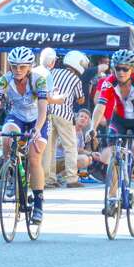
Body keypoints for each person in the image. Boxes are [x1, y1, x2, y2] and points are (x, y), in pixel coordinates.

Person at [0, 46, 49, 224]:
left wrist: (37, 128)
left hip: (37, 119)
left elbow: (43, 109)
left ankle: (38, 204)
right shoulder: (3, 81)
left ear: (29, 67)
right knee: (7, 136)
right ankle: (11, 172)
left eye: (22, 67)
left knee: (34, 158)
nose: (18, 70)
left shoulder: (39, 81)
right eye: (14, 66)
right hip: (17, 117)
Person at [89, 49, 134, 207]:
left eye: (125, 68)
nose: (121, 72)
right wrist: (93, 128)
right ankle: (112, 197)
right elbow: (100, 106)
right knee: (113, 151)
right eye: (118, 68)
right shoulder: (109, 82)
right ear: (112, 69)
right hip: (120, 120)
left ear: (132, 69)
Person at [43, 50, 87, 188]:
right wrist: (80, 97)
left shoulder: (53, 72)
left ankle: (48, 179)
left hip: (48, 112)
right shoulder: (76, 79)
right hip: (64, 114)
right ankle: (71, 178)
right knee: (70, 147)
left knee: (49, 147)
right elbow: (80, 100)